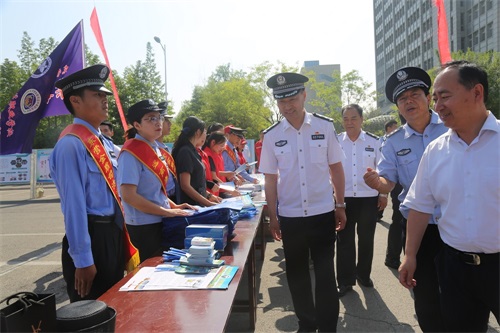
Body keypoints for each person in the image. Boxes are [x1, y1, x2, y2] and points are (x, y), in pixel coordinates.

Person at [400, 60, 500, 332]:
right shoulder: (436, 151)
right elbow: (420, 206)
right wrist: (410, 255)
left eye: (445, 96)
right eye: (435, 98)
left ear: (476, 93)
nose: (438, 105)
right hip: (455, 269)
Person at [259, 72, 346, 332]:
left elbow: (336, 169)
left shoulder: (324, 126)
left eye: (292, 98)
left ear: (304, 96)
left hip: (322, 213)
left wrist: (340, 205)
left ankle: (328, 326)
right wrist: (273, 216)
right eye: (281, 101)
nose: (287, 106)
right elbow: (270, 179)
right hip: (291, 217)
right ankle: (307, 324)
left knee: (325, 274)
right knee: (296, 276)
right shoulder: (272, 135)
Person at [363, 66, 447, 332]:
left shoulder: (452, 127)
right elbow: (389, 183)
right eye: (402, 99)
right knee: (426, 298)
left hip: (457, 223)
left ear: (428, 98)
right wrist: (377, 183)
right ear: (398, 107)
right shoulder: (392, 142)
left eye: (414, 94)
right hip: (420, 230)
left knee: (463, 293)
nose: (409, 101)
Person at [49, 64, 139, 302]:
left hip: (113, 233)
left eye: (105, 95)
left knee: (115, 305)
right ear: (75, 101)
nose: (104, 99)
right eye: (97, 94)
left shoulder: (105, 144)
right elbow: (74, 207)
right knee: (91, 311)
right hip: (92, 236)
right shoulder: (72, 145)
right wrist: (83, 260)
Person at [117, 99, 194, 262]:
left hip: (161, 219)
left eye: (159, 117)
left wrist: (173, 206)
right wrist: (167, 211)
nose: (158, 122)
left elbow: (155, 190)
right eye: (151, 118)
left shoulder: (156, 149)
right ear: (137, 125)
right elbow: (129, 196)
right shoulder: (131, 152)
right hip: (144, 226)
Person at [336, 104, 384, 297]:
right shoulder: (337, 141)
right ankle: (345, 281)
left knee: (366, 240)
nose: (349, 122)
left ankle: (363, 275)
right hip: (343, 199)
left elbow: (382, 170)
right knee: (344, 240)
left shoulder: (374, 142)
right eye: (346, 118)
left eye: (354, 118)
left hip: (368, 199)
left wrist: (383, 194)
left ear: (362, 119)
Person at [172, 116, 221, 206]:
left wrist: (209, 195)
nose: (206, 135)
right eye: (205, 131)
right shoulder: (185, 152)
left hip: (200, 205)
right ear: (198, 132)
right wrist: (208, 203)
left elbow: (196, 184)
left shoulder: (193, 151)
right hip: (192, 208)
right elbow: (185, 186)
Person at [380, 118, 404, 269]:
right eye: (394, 127)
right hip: (398, 185)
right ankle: (392, 257)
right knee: (399, 221)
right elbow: (386, 172)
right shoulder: (388, 141)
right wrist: (383, 194)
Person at [156, 102, 179, 203]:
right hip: (161, 199)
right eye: (166, 120)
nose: (170, 124)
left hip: (173, 196)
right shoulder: (150, 148)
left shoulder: (164, 147)